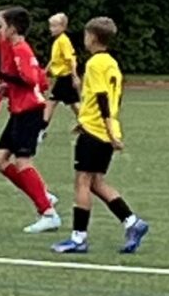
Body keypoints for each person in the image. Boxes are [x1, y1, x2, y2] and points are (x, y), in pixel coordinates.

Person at [53, 17, 150, 254]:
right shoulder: (111, 63)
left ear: (93, 37)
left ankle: (78, 238)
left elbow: (102, 98)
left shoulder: (95, 63)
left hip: (97, 132)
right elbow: (115, 98)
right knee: (96, 182)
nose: (84, 39)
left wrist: (104, 128)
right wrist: (95, 124)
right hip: (102, 130)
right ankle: (132, 222)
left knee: (82, 181)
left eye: (86, 35)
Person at [0, 6, 61, 234]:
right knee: (0, 160)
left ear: (12, 28)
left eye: (1, 26)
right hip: (19, 111)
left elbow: (30, 80)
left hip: (29, 112)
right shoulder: (16, 50)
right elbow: (38, 81)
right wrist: (7, 87)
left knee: (23, 162)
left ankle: (48, 213)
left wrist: (2, 76)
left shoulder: (21, 50)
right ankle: (41, 194)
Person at [43, 12, 81, 128]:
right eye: (51, 26)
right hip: (62, 77)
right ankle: (87, 124)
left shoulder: (63, 41)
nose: (51, 29)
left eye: (54, 26)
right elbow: (54, 59)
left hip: (65, 77)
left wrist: (75, 77)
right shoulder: (58, 41)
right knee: (74, 104)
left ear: (63, 27)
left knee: (51, 102)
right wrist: (45, 71)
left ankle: (41, 128)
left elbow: (71, 60)